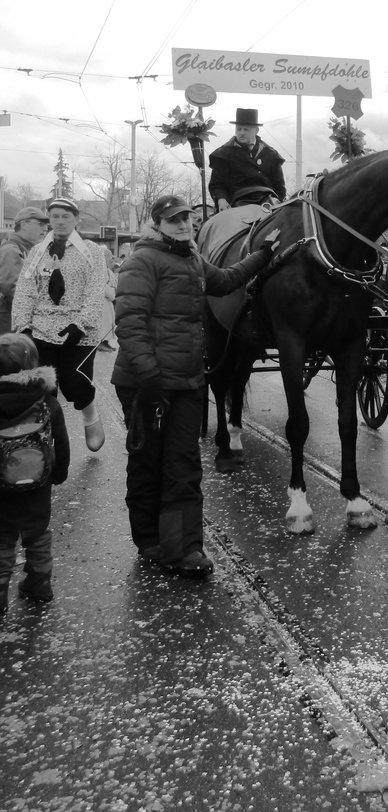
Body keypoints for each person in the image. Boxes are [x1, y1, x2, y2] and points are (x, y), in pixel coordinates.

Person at [112, 194, 278, 577]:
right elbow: (130, 322)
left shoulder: (192, 259)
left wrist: (264, 254)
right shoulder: (142, 261)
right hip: (145, 384)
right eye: (175, 220)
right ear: (157, 224)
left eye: (187, 218)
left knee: (183, 465)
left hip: (186, 380)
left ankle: (184, 548)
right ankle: (150, 539)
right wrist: (149, 376)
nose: (184, 225)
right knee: (148, 463)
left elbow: (227, 280)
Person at [11, 197, 107, 453]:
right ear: (49, 220)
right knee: (43, 388)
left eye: (66, 216)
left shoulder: (92, 252)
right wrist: (24, 329)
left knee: (74, 383)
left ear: (77, 219)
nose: (60, 221)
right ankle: (46, 440)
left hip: (79, 332)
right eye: (55, 216)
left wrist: (80, 324)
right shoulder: (36, 253)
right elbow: (24, 292)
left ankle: (90, 414)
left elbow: (95, 291)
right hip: (41, 329)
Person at [0, 333, 70, 611]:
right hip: (38, 484)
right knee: (38, 534)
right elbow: (62, 443)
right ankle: (39, 583)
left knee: (1, 537)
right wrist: (59, 472)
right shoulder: (47, 404)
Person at [208, 107, 286, 211]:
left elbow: (279, 186)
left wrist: (280, 204)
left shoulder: (270, 154)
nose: (241, 133)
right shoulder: (224, 154)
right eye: (239, 129)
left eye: (246, 129)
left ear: (256, 131)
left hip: (268, 203)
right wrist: (222, 200)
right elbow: (217, 185)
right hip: (235, 203)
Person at [0, 207, 50, 334]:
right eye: (40, 224)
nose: (45, 228)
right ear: (23, 224)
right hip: (10, 321)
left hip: (20, 319)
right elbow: (13, 289)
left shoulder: (31, 251)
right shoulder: (11, 250)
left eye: (46, 225)